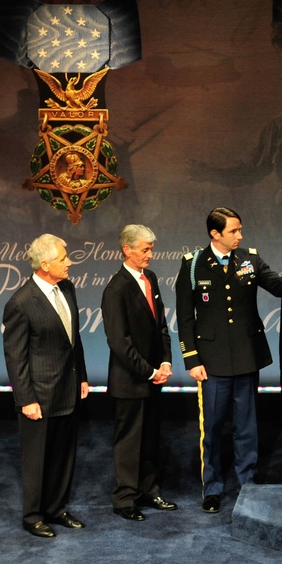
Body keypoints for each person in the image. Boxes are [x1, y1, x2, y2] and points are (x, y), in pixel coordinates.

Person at [176, 207, 282, 514]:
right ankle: (212, 488)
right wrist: (191, 358)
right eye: (234, 231)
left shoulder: (250, 259)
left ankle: (247, 485)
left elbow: (278, 286)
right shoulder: (194, 264)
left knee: (247, 427)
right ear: (215, 234)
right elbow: (185, 317)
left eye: (240, 230)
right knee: (211, 428)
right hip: (210, 362)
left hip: (246, 357)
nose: (240, 235)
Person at [2, 233, 90, 538]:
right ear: (44, 264)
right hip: (38, 395)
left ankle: (57, 508)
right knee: (36, 458)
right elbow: (16, 357)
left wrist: (82, 376)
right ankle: (33, 516)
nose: (69, 262)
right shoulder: (21, 302)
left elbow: (72, 340)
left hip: (68, 388)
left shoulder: (67, 288)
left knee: (64, 454)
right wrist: (26, 398)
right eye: (63, 258)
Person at [101, 224, 177, 522]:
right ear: (127, 250)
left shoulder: (151, 279)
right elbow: (120, 343)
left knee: (150, 438)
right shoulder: (116, 289)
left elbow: (161, 327)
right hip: (130, 381)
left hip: (154, 378)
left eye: (151, 249)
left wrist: (167, 362)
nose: (150, 254)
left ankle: (149, 490)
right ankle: (125, 499)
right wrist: (150, 372)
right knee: (129, 443)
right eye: (144, 250)